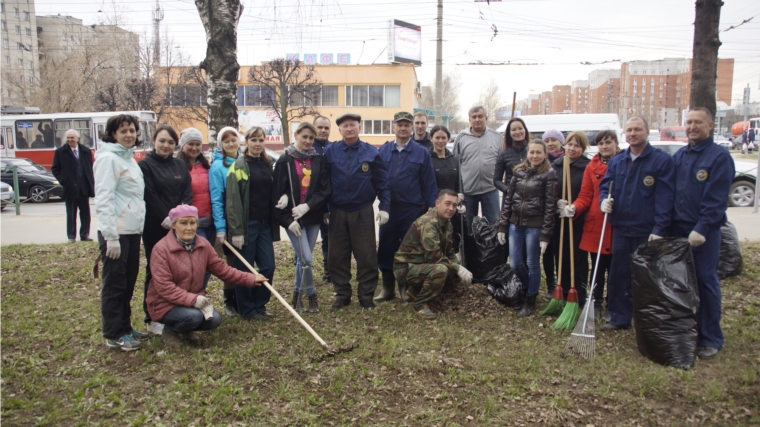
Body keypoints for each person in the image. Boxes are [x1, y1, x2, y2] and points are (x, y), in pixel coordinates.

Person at [146, 204, 268, 347]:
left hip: (192, 300)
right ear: (173, 225)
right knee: (194, 317)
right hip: (164, 304)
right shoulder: (161, 249)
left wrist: (251, 278)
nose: (189, 227)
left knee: (215, 319)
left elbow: (222, 269)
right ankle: (171, 330)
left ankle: (185, 329)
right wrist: (194, 300)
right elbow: (164, 287)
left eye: (193, 222)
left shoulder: (203, 245)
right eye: (183, 223)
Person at [599, 116, 675, 331]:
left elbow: (665, 198)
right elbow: (606, 186)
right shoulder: (617, 161)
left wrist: (659, 229)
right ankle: (619, 318)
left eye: (637, 129)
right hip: (622, 229)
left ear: (647, 131)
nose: (633, 133)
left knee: (647, 277)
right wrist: (603, 200)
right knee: (619, 275)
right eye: (629, 129)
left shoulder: (661, 161)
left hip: (647, 230)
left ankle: (647, 321)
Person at [671, 108, 734, 359]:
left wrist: (702, 228)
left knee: (705, 282)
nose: (692, 126)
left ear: (710, 125)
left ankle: (710, 338)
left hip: (702, 232)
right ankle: (689, 331)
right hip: (677, 229)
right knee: (682, 283)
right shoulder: (680, 156)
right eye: (689, 122)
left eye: (698, 122)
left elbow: (717, 200)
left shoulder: (718, 158)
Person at [323, 113, 390, 309]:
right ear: (340, 130)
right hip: (337, 211)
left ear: (359, 127)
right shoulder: (330, 152)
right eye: (345, 126)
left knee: (367, 255)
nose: (349, 129)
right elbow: (324, 183)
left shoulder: (371, 152)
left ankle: (366, 296)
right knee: (337, 256)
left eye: (353, 125)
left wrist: (384, 207)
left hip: (362, 210)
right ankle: (342, 295)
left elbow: (382, 183)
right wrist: (325, 209)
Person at [94, 114, 147, 351]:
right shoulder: (108, 159)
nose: (129, 135)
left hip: (132, 230)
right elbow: (104, 199)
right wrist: (110, 236)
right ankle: (113, 333)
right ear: (113, 134)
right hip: (117, 232)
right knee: (115, 284)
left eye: (132, 130)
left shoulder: (128, 158)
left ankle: (125, 326)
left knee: (127, 282)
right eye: (123, 131)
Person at [375, 112, 439, 303]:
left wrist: (431, 208)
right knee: (386, 247)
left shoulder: (421, 153)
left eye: (406, 125)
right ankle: (387, 289)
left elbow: (429, 182)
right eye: (399, 125)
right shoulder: (383, 151)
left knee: (408, 250)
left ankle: (405, 287)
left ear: (412, 128)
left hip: (411, 208)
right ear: (393, 127)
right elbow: (377, 179)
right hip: (388, 208)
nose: (403, 128)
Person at [139, 124, 193, 335]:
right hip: (156, 225)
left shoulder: (180, 165)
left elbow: (187, 192)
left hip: (180, 227)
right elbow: (149, 194)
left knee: (180, 269)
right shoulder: (145, 165)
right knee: (155, 271)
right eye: (162, 141)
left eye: (170, 142)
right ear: (154, 141)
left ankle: (177, 310)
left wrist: (180, 218)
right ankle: (151, 316)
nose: (166, 145)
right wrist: (167, 218)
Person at [273, 123, 331, 313]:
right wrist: (288, 222)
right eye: (304, 136)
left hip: (312, 216)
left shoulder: (318, 160)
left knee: (302, 259)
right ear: (296, 135)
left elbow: (324, 190)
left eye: (311, 138)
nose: (307, 141)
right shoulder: (284, 160)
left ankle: (296, 296)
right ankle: (311, 295)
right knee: (306, 258)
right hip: (294, 219)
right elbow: (278, 193)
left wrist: (308, 206)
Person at [497, 139, 558, 317]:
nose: (535, 156)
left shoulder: (549, 174)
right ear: (527, 154)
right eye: (532, 152)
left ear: (545, 154)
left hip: (535, 226)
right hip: (515, 224)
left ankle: (530, 298)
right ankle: (526, 288)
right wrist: (503, 225)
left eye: (539, 152)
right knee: (515, 263)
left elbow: (550, 207)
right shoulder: (518, 172)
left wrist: (545, 235)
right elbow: (509, 200)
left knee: (532, 263)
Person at [563, 130, 619, 319]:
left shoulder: (624, 163)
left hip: (617, 224)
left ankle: (613, 303)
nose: (604, 146)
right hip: (597, 225)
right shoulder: (592, 167)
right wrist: (575, 208)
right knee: (597, 266)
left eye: (608, 142)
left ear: (616, 144)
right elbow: (585, 195)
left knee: (616, 269)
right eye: (601, 143)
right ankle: (594, 302)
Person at [226, 126, 280, 320]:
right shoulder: (239, 166)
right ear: (246, 142)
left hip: (264, 225)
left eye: (261, 140)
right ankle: (247, 309)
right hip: (246, 226)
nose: (257, 144)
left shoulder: (267, 163)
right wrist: (237, 231)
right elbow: (233, 201)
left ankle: (260, 305)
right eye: (253, 140)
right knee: (244, 269)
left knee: (268, 266)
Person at [394, 190, 473, 319]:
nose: (451, 208)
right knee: (441, 270)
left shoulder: (447, 224)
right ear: (437, 203)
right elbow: (434, 257)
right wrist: (457, 268)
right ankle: (419, 304)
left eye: (454, 205)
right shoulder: (429, 222)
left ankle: (415, 291)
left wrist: (458, 267)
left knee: (454, 272)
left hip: (422, 264)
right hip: (405, 268)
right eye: (447, 204)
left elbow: (449, 252)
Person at [553, 131, 591, 307]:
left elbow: (587, 194)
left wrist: (574, 207)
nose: (572, 148)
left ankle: (579, 295)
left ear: (583, 148)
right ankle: (565, 292)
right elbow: (550, 189)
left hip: (578, 221)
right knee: (561, 257)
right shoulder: (557, 165)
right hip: (559, 219)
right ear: (564, 146)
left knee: (577, 258)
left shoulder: (586, 167)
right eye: (569, 144)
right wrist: (556, 203)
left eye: (577, 145)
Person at [209, 126, 242, 316]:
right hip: (229, 223)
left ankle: (242, 297)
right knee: (231, 263)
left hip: (245, 223)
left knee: (244, 262)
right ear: (221, 144)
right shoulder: (217, 167)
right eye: (226, 140)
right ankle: (229, 299)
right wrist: (220, 227)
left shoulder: (244, 161)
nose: (230, 143)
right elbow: (217, 198)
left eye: (233, 139)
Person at [454, 106, 503, 230]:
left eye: (480, 116)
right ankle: (472, 250)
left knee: (493, 227)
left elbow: (502, 162)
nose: (477, 119)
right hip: (468, 191)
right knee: (469, 228)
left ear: (486, 118)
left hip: (490, 190)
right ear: (469, 120)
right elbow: (455, 164)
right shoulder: (461, 138)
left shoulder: (496, 137)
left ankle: (492, 250)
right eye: (474, 117)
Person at [177, 127, 214, 287]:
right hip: (192, 223)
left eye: (198, 144)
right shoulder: (178, 167)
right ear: (183, 145)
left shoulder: (206, 166)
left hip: (210, 222)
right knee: (200, 261)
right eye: (190, 144)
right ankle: (191, 295)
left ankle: (198, 293)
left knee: (206, 264)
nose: (194, 148)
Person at [52, 129, 95, 243]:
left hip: (84, 188)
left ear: (77, 138)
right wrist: (63, 180)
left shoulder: (85, 151)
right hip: (70, 188)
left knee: (85, 213)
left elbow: (89, 167)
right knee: (71, 214)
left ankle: (84, 235)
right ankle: (71, 236)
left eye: (72, 137)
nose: (70, 140)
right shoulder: (61, 152)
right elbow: (55, 169)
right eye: (68, 138)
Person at [429, 125, 465, 254]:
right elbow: (428, 185)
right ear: (431, 138)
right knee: (436, 241)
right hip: (435, 207)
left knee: (452, 241)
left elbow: (459, 183)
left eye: (443, 137)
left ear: (448, 139)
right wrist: (448, 198)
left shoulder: (454, 160)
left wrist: (462, 202)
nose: (440, 140)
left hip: (452, 209)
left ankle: (452, 269)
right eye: (437, 137)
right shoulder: (427, 159)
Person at [540, 129, 565, 299]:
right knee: (547, 250)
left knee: (561, 250)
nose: (550, 143)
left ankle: (563, 283)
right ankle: (550, 283)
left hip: (564, 212)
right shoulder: (541, 161)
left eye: (553, 140)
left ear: (561, 142)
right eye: (547, 140)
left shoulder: (567, 161)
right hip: (545, 212)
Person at [313, 116, 333, 283]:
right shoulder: (307, 147)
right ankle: (304, 272)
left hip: (329, 203)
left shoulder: (334, 148)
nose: (323, 130)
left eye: (326, 128)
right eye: (320, 127)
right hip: (310, 204)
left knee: (328, 238)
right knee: (309, 240)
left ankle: (329, 270)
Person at [493, 118, 529, 207]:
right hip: (512, 200)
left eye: (520, 128)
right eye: (513, 129)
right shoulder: (504, 154)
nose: (517, 132)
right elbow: (496, 180)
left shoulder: (533, 151)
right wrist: (508, 190)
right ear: (509, 133)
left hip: (532, 198)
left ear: (525, 130)